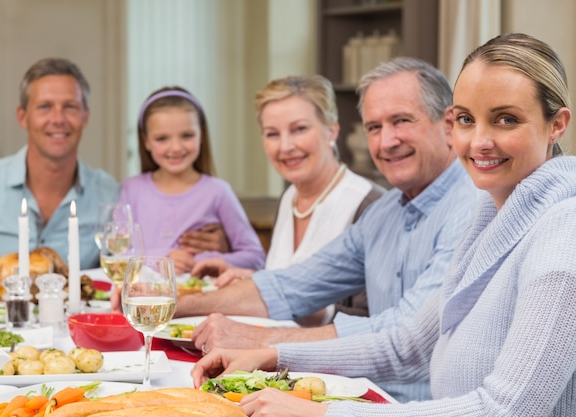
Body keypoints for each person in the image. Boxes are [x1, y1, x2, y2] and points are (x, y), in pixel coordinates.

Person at [192, 33, 576, 416]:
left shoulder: (562, 237)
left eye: (506, 119)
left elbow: (508, 410)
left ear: (557, 124)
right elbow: (407, 346)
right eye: (466, 120)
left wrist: (321, 413)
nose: (478, 142)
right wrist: (272, 356)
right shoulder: (492, 212)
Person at [179, 56, 480, 402]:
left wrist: (260, 342)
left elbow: (405, 335)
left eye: (401, 121)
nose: (386, 142)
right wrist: (168, 304)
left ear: (448, 125)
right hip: (364, 395)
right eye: (374, 128)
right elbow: (292, 284)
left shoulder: (472, 208)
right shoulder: (384, 213)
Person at [191, 75, 380, 324]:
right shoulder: (290, 197)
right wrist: (252, 280)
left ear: (331, 130)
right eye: (272, 134)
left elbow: (377, 320)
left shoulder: (369, 205)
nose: (285, 146)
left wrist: (302, 307)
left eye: (299, 129)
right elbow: (288, 279)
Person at [0, 58, 120, 279]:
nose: (58, 119)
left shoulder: (110, 195)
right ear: (23, 116)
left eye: (70, 106)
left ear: (85, 116)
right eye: (44, 106)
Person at [118, 87, 265, 274]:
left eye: (187, 135)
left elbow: (255, 257)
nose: (176, 147)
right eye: (162, 138)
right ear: (146, 141)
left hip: (205, 297)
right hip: (146, 299)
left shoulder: (217, 191)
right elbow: (118, 255)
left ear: (201, 135)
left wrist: (201, 261)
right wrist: (164, 258)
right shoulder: (132, 189)